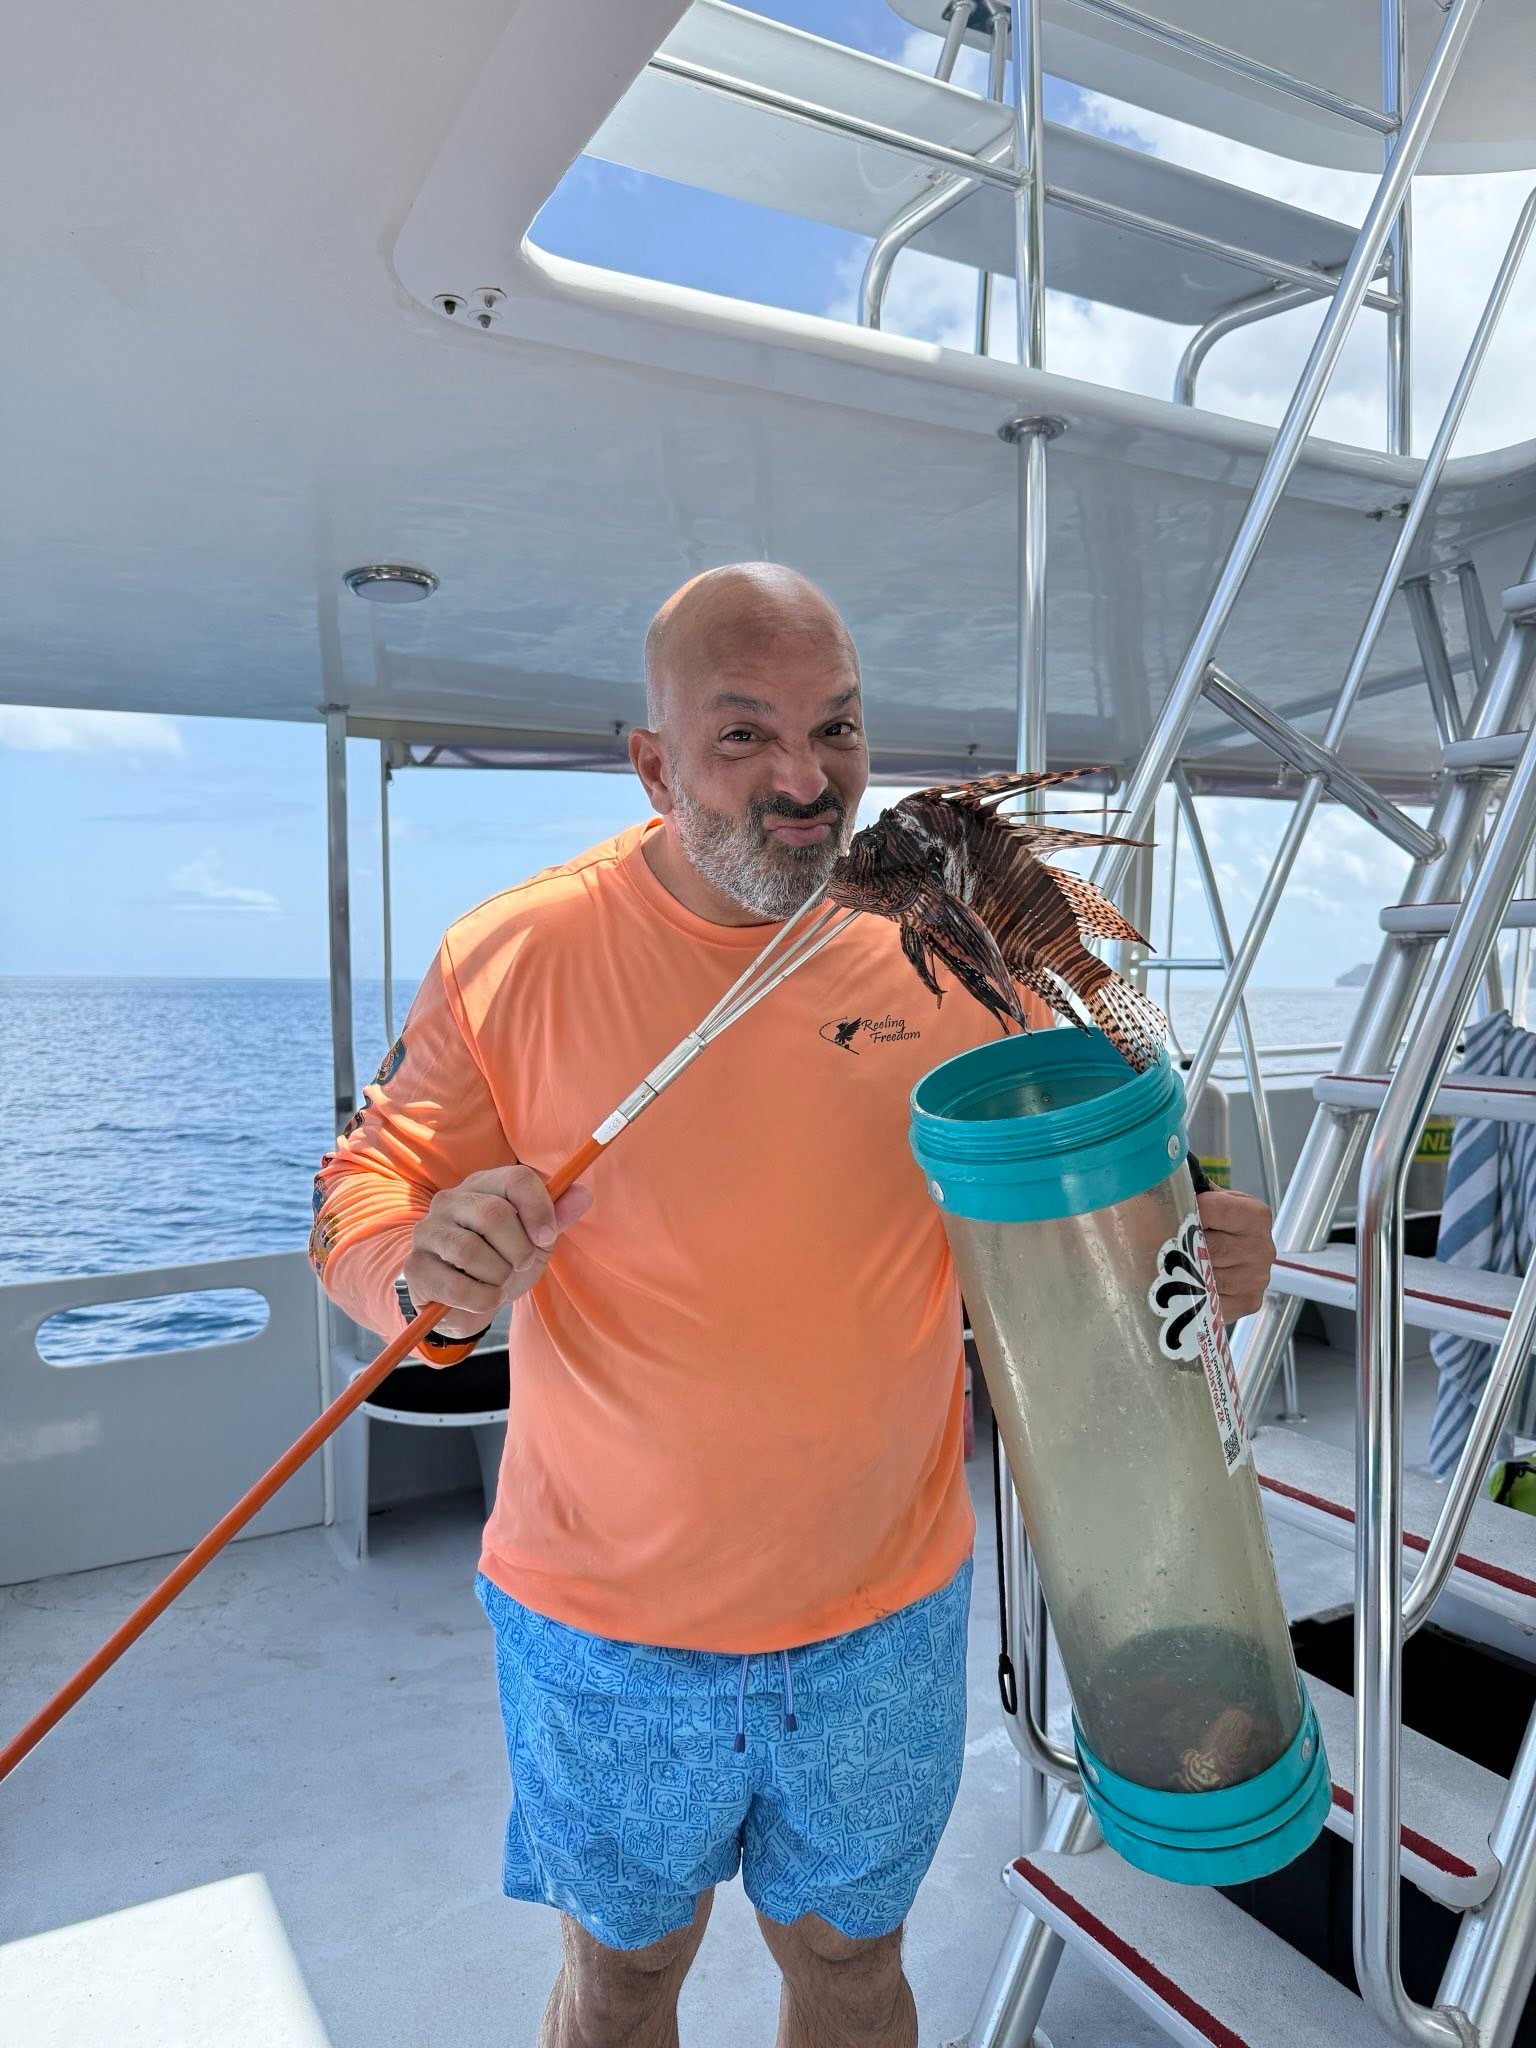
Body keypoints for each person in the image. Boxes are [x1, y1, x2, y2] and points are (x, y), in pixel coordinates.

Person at [311, 564, 1275, 2048]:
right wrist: (417, 1262)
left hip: (881, 1616)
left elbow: (1099, 1200)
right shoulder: (515, 952)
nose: (807, 781)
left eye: (836, 728)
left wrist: (1193, 1248)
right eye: (744, 736)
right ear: (651, 762)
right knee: (624, 1974)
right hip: (601, 1625)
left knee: (846, 1970)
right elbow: (362, 1193)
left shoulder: (955, 949)